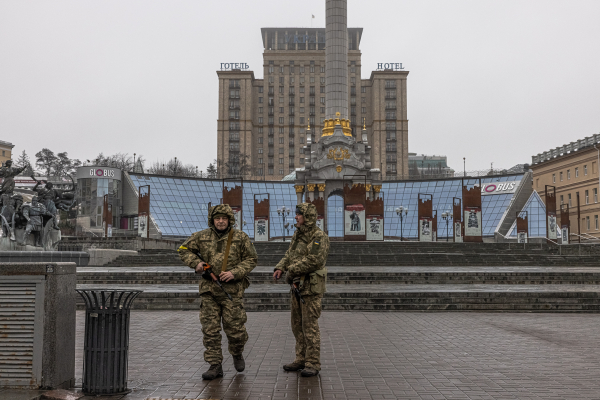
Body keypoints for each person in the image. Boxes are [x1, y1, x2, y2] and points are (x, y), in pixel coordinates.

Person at [178, 204, 258, 380]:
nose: (221, 221)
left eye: (224, 218)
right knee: (210, 330)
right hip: (209, 291)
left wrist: (234, 273)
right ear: (212, 220)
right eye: (217, 218)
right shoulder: (201, 236)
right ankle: (215, 365)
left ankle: (237, 352)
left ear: (230, 220)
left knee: (235, 330)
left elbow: (252, 259)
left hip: (232, 292)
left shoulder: (240, 237)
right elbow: (183, 249)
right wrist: (196, 263)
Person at [273, 203, 330, 377]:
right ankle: (301, 358)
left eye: (299, 215)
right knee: (297, 325)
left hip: (310, 288)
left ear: (308, 217)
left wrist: (292, 271)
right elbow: (290, 254)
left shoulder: (319, 236)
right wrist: (281, 267)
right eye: (296, 214)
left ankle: (313, 362)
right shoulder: (297, 235)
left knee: (310, 326)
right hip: (297, 286)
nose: (296, 217)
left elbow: (314, 260)